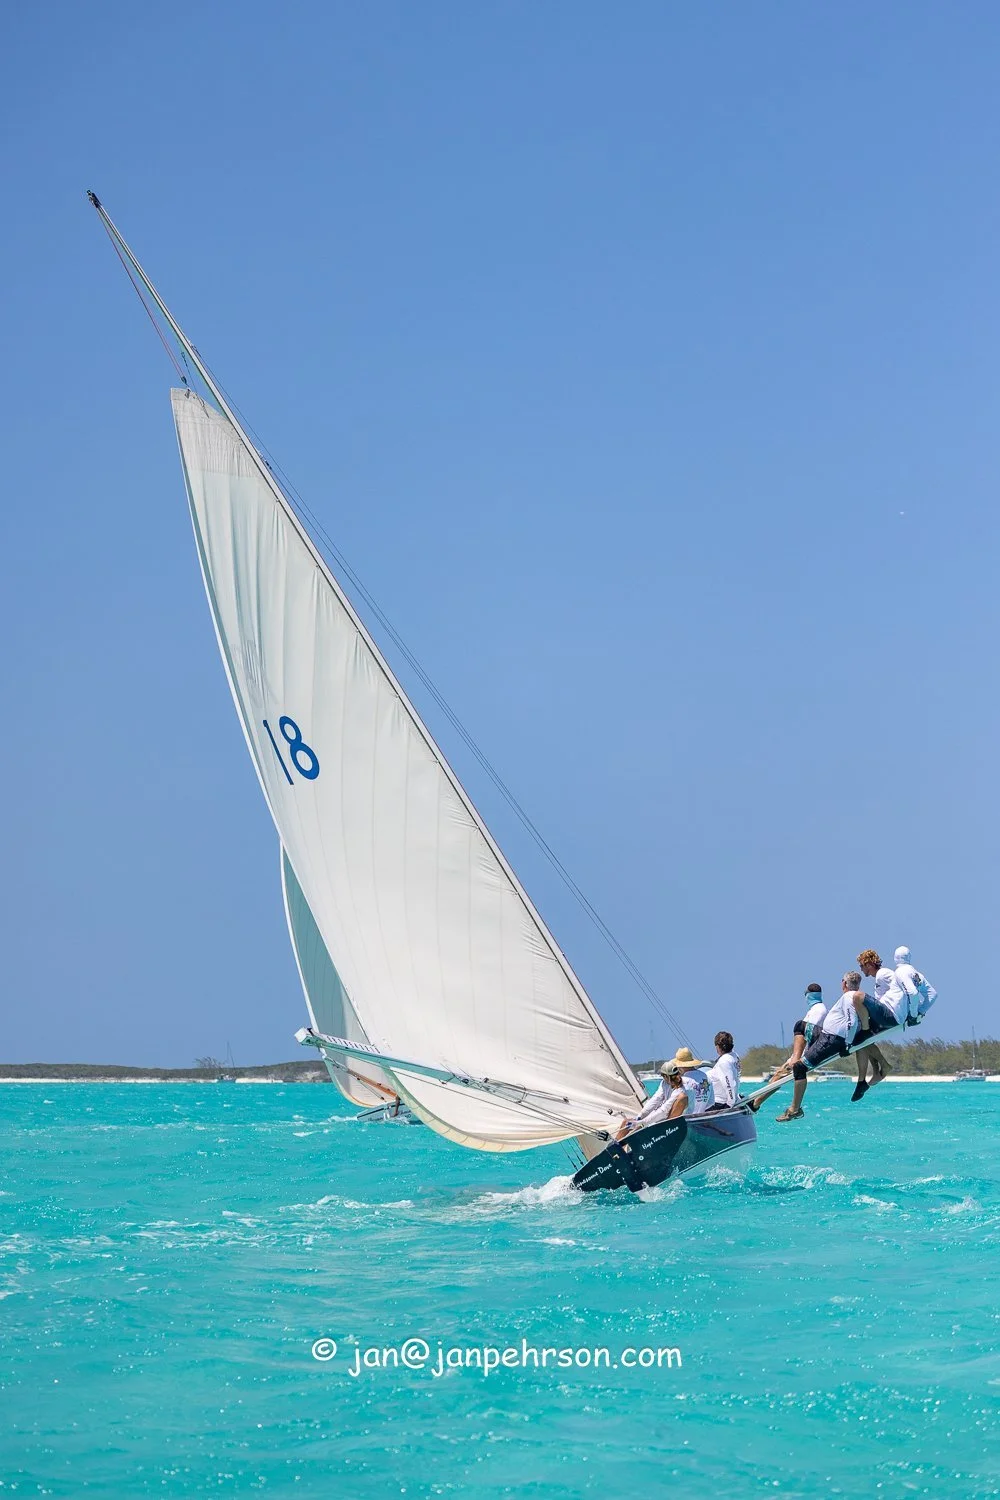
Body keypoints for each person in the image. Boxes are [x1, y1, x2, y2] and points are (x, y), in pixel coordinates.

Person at [752, 984, 826, 1120]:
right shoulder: (815, 1009)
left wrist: (797, 1057)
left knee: (779, 1077)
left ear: (808, 996)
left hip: (806, 1054)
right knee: (778, 1076)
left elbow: (810, 1034)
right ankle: (756, 1103)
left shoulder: (819, 1010)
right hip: (802, 1053)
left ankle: (755, 1104)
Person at [617, 1047, 712, 1138]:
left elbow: (664, 1109)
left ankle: (616, 1147)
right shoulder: (707, 1078)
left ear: (680, 1066)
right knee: (630, 1123)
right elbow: (710, 1103)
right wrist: (639, 1118)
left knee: (627, 1124)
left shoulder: (684, 1082)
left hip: (678, 1127)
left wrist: (641, 1121)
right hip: (697, 1124)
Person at [852, 949, 896, 1100]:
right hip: (883, 1013)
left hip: (888, 1015)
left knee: (858, 1000)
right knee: (861, 1039)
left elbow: (901, 988)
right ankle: (876, 1070)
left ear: (869, 964)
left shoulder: (884, 974)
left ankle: (883, 1065)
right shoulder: (880, 976)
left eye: (862, 966)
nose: (861, 969)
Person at [883, 946, 938, 1026]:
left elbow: (913, 993)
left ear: (895, 958)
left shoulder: (900, 972)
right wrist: (921, 1011)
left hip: (893, 1014)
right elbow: (933, 994)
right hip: (905, 1014)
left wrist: (914, 1015)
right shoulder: (918, 975)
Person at [707, 1031, 741, 1110]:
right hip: (727, 1099)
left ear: (718, 1046)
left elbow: (730, 1084)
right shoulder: (734, 1055)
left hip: (719, 1103)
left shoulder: (724, 1062)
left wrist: (729, 1106)